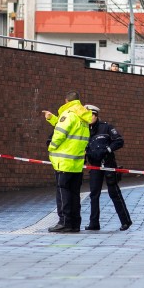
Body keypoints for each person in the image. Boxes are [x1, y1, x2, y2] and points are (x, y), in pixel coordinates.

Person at [43, 92, 93, 232]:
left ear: (66, 101)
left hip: (63, 161)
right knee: (74, 194)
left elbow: (60, 133)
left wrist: (51, 147)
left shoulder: (69, 114)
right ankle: (75, 224)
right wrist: (52, 118)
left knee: (63, 192)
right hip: (76, 163)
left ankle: (64, 222)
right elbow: (68, 129)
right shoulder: (82, 117)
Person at [84, 105, 132, 232]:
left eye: (91, 115)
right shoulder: (84, 130)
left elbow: (119, 141)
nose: (88, 118)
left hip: (107, 164)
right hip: (94, 165)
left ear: (96, 115)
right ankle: (94, 223)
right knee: (94, 194)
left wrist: (107, 150)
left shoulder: (106, 127)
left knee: (114, 193)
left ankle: (125, 221)